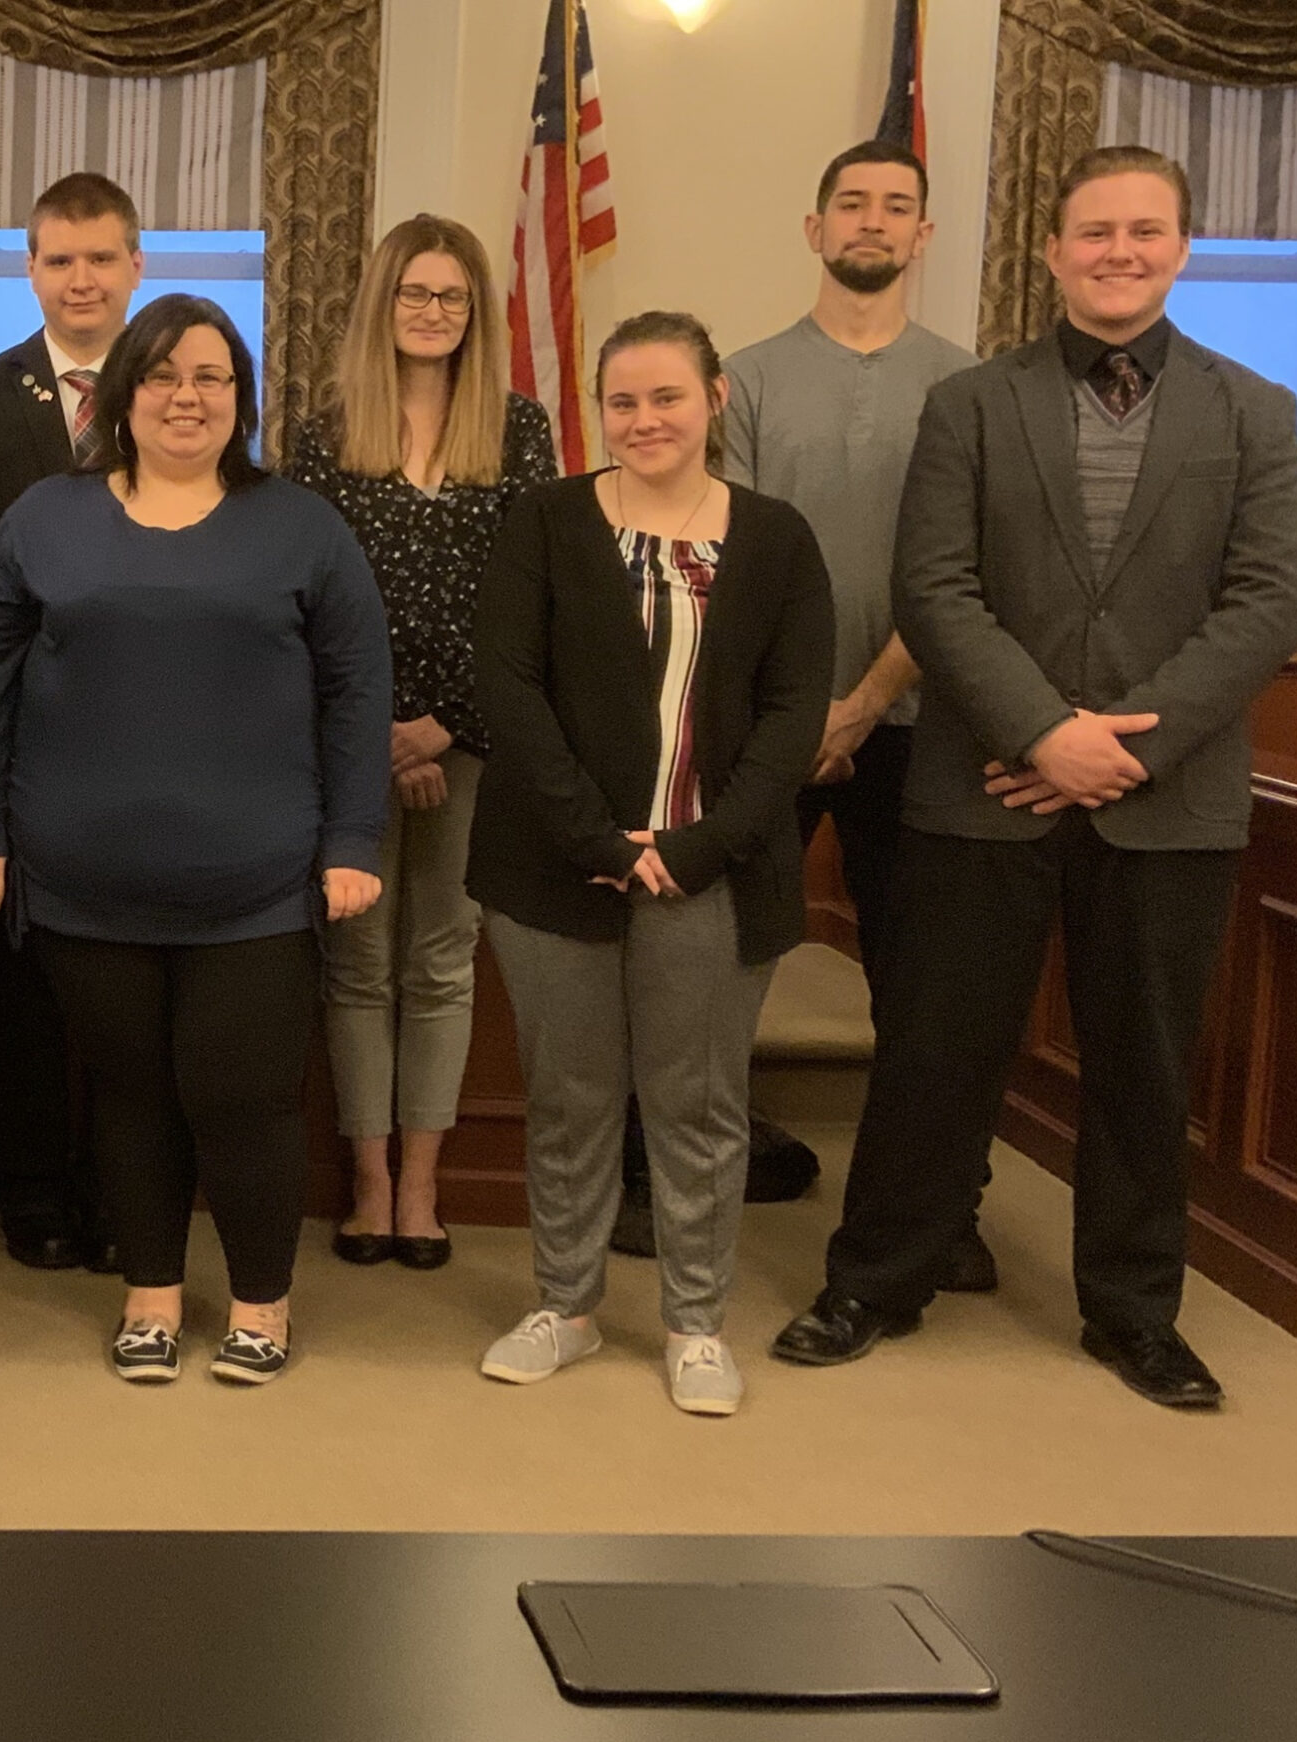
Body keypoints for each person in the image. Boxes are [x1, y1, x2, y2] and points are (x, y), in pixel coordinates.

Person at [772, 147, 1297, 1410]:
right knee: (933, 1052)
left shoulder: (1255, 410)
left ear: (1181, 249)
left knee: (1143, 1067)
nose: (1118, 251)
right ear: (1053, 251)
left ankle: (1134, 1312)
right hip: (982, 784)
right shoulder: (971, 403)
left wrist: (1118, 747)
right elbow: (936, 588)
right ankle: (875, 1280)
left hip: (1165, 802)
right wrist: (1037, 729)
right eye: (1094, 232)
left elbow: (1269, 599)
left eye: (1144, 231)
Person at [0, 294, 392, 1386]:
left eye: (210, 376)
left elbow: (355, 686)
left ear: (238, 398)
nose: (185, 397)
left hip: (258, 882)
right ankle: (149, 1293)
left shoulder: (299, 524)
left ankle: (258, 1303)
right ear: (120, 394)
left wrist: (353, 839)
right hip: (81, 879)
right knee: (129, 1093)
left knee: (239, 1097)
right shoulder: (45, 517)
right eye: (162, 375)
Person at [469, 311, 833, 1417]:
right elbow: (508, 689)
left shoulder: (775, 538)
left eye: (666, 396)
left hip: (712, 872)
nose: (643, 420)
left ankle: (694, 1322)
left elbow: (790, 712)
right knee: (571, 1099)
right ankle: (567, 1306)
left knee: (698, 1103)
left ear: (714, 399)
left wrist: (689, 848)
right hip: (555, 866)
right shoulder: (542, 521)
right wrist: (598, 839)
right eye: (621, 400)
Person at [700, 140, 992, 1284]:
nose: (872, 222)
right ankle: (689, 1182)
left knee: (925, 984)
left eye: (897, 208)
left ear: (923, 236)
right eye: (851, 204)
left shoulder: (971, 387)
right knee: (721, 961)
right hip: (771, 727)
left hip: (922, 728)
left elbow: (962, 567)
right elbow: (742, 558)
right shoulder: (749, 376)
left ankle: (934, 1212)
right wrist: (803, 712)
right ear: (813, 227)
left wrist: (866, 701)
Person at [284, 213, 558, 1271]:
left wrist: (445, 727)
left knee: (441, 961)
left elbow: (532, 601)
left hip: (476, 740)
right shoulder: (325, 431)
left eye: (452, 297)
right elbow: (302, 598)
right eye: (415, 293)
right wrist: (377, 736)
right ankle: (362, 1181)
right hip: (347, 737)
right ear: (381, 302)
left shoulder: (520, 431)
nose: (434, 313)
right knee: (356, 961)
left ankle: (420, 1185)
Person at [0, 171, 146, 1274]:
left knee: (127, 986)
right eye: (59, 260)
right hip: (24, 735)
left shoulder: (184, 391)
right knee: (26, 985)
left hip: (147, 733)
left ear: (134, 267)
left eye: (100, 257)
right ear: (30, 271)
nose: (80, 279)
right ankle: (31, 1186)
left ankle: (123, 1185)